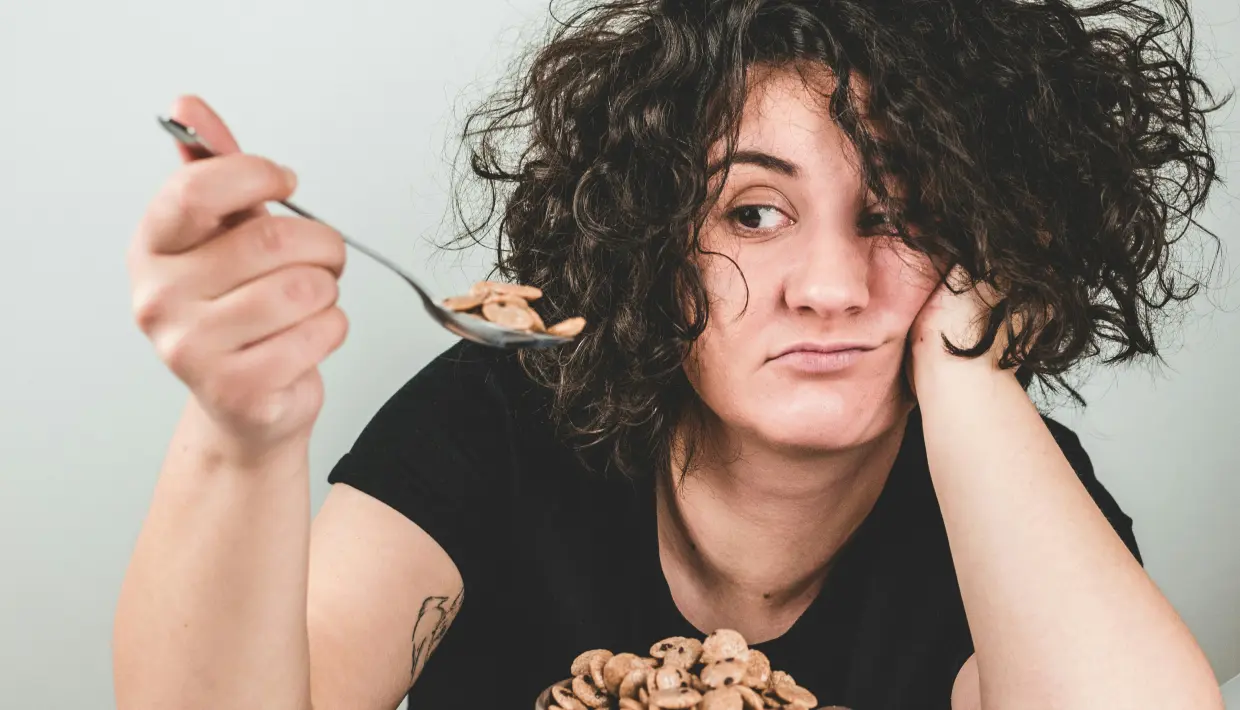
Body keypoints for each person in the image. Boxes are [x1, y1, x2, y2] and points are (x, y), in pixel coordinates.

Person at [113, 1, 1230, 709]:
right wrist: (237, 434)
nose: (830, 286)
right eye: (751, 212)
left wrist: (972, 359)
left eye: (897, 214)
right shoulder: (498, 416)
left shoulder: (1008, 490)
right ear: (652, 237)